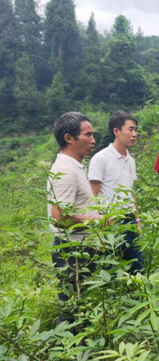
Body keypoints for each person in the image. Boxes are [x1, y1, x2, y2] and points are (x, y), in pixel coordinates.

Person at [48, 112, 101, 323]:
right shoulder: (65, 170)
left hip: (81, 248)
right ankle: (67, 353)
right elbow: (59, 217)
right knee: (72, 310)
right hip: (72, 252)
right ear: (69, 138)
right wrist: (97, 221)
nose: (93, 140)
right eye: (88, 135)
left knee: (84, 305)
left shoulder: (75, 166)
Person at [88, 111, 142, 274]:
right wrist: (100, 224)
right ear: (116, 131)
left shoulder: (130, 160)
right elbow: (92, 195)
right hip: (110, 222)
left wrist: (137, 220)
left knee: (136, 268)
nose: (134, 134)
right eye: (130, 129)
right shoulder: (100, 158)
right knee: (112, 269)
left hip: (130, 220)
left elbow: (130, 192)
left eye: (135, 130)